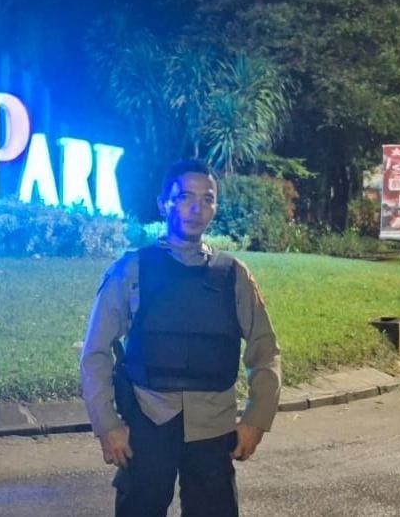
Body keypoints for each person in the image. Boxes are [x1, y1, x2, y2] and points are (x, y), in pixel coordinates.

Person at [80, 159, 282, 516]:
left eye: (207, 199)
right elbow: (95, 353)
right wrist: (107, 425)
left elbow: (265, 350)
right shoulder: (131, 270)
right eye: (185, 196)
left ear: (215, 208)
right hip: (147, 422)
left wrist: (256, 419)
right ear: (164, 204)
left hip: (213, 428)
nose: (196, 208)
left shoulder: (233, 275)